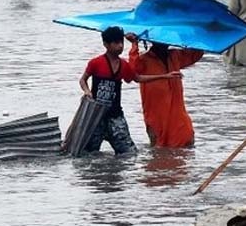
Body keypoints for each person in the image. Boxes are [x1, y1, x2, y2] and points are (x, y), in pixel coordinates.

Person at [79, 26, 181, 154]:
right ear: (106, 44)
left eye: (121, 42)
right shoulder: (96, 63)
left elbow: (137, 78)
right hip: (96, 116)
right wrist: (87, 92)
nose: (120, 46)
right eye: (116, 43)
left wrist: (165, 76)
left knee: (129, 153)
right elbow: (83, 80)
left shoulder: (123, 65)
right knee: (88, 154)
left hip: (115, 116)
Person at [127, 35, 203, 148]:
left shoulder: (175, 55)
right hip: (156, 114)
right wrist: (134, 45)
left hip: (177, 113)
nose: (164, 43)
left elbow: (196, 54)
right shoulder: (144, 59)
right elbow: (132, 72)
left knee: (186, 141)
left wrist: (191, 34)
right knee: (159, 146)